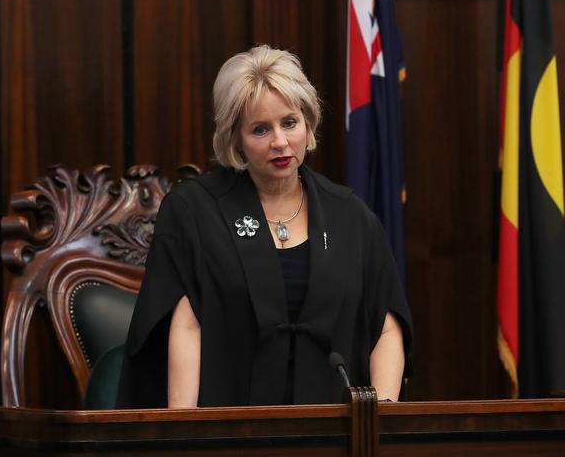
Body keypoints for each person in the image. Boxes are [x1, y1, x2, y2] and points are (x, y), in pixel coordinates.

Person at [116, 45, 412, 408]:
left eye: (289, 122)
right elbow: (185, 327)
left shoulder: (349, 215)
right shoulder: (193, 212)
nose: (280, 142)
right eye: (260, 129)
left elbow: (386, 326)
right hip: (231, 431)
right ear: (235, 138)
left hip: (333, 431)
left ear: (308, 121)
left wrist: (377, 423)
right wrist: (186, 433)